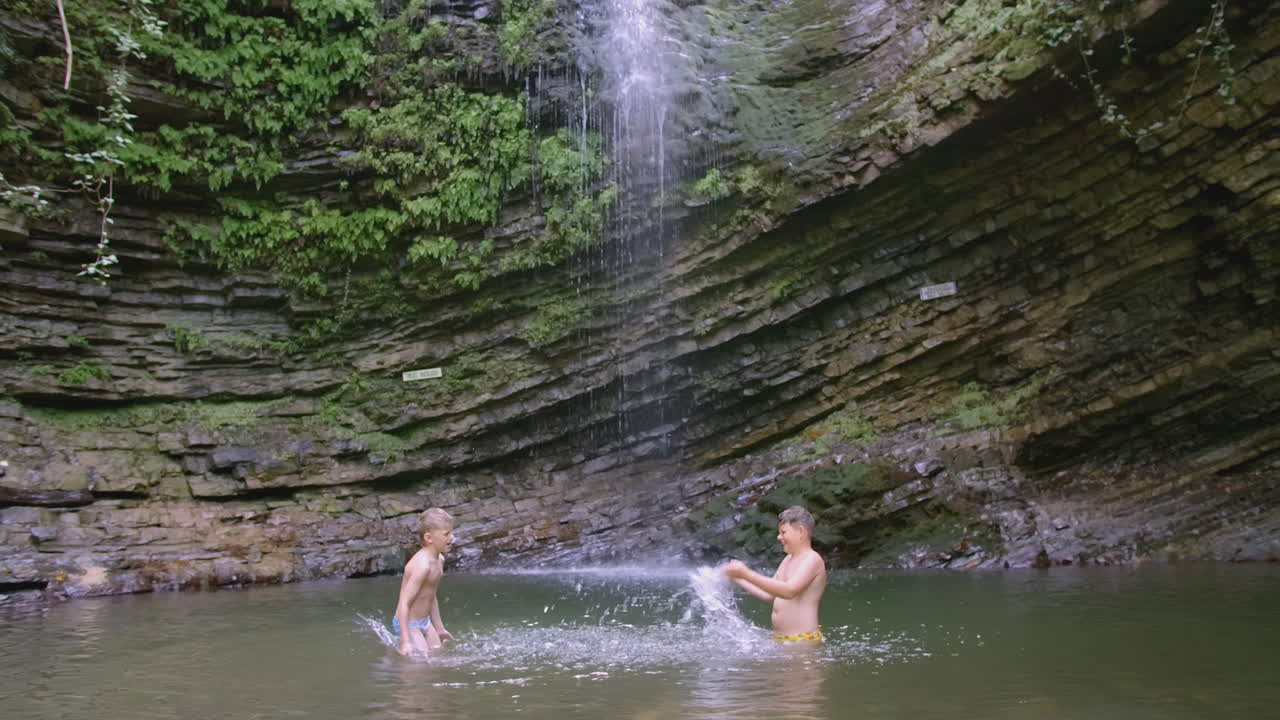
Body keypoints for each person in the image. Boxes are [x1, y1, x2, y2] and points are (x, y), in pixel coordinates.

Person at [720, 505, 827, 642]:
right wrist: (738, 578)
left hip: (803, 639)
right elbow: (770, 595)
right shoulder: (788, 559)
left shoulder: (812, 559)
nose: (779, 537)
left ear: (801, 531)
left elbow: (789, 591)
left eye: (783, 532)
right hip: (782, 639)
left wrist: (746, 573)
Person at [393, 507, 456, 657]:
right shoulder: (422, 566)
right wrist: (406, 641)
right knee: (423, 662)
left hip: (425, 621)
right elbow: (404, 603)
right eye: (446, 534)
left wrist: (439, 628)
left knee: (439, 655)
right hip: (409, 623)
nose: (452, 537)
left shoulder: (439, 560)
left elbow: (431, 596)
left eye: (451, 533)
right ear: (429, 538)